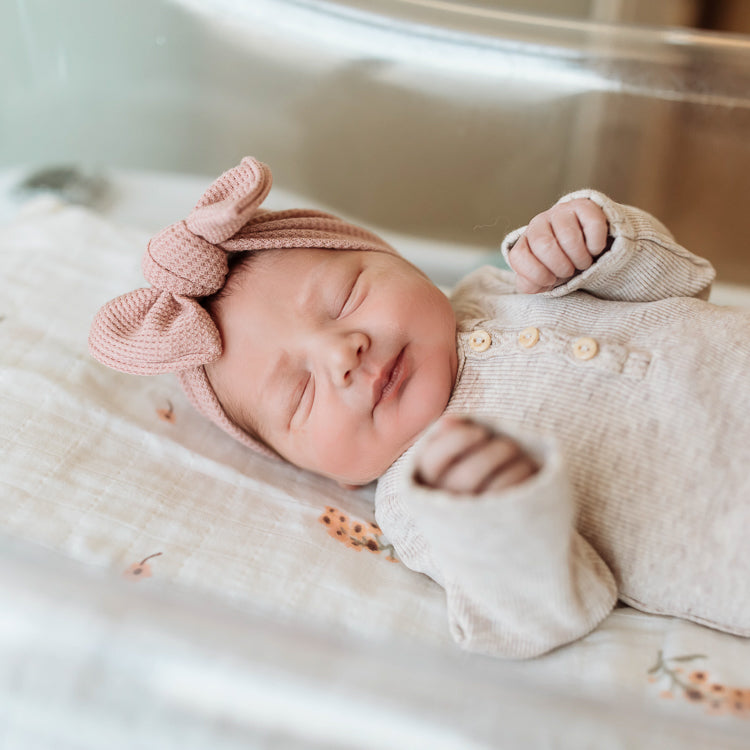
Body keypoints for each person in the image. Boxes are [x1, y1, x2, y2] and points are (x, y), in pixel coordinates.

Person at [90, 157, 750, 658]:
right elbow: (545, 613)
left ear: (400, 262)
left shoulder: (505, 285)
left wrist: (601, 241)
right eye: (301, 392)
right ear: (325, 471)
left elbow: (684, 282)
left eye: (346, 297)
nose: (342, 352)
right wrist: (495, 513)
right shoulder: (420, 497)